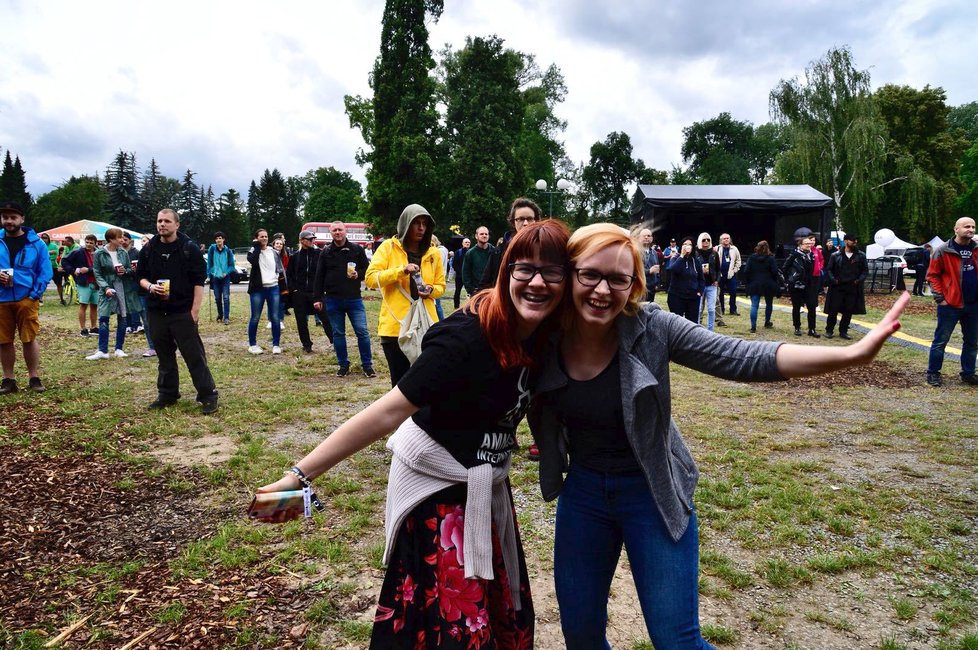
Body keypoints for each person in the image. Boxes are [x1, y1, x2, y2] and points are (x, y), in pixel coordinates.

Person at [528, 222, 911, 649]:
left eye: (618, 279)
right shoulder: (545, 332)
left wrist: (850, 355)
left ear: (635, 284)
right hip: (583, 493)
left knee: (677, 641)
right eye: (590, 274)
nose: (602, 290)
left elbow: (740, 355)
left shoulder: (652, 326)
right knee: (580, 635)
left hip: (652, 490)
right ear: (571, 271)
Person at [256, 220, 571, 648]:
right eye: (524, 269)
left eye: (552, 271)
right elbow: (386, 412)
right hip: (435, 488)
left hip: (484, 483)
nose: (537, 282)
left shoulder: (548, 336)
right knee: (452, 624)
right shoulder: (465, 339)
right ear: (506, 273)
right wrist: (298, 477)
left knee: (493, 614)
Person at [135, 209, 218, 414]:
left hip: (182, 311)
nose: (162, 224)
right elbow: (140, 277)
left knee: (194, 356)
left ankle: (208, 395)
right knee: (164, 356)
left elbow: (199, 282)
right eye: (159, 221)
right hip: (156, 311)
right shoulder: (149, 249)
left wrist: (194, 312)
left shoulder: (188, 248)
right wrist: (150, 287)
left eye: (167, 221)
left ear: (177, 225)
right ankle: (167, 394)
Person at [365, 204, 445, 387]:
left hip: (425, 325)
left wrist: (431, 290)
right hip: (396, 328)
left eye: (425, 223)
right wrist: (401, 270)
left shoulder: (433, 252)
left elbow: (440, 286)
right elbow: (370, 279)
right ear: (405, 224)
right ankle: (402, 417)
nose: (421, 228)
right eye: (416, 223)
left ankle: (422, 416)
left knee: (426, 382)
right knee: (400, 385)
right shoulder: (388, 247)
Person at [0, 200, 52, 394]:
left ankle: (34, 377)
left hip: (26, 299)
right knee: (3, 341)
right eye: (5, 217)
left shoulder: (36, 244)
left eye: (13, 217)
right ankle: (8, 379)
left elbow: (45, 271)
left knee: (28, 338)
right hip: (1, 299)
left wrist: (33, 295)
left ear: (22, 218)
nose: (9, 221)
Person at [314, 222, 375, 377]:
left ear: (345, 231)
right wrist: (317, 297)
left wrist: (358, 275)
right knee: (338, 334)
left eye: (340, 229)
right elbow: (319, 277)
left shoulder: (356, 249)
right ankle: (343, 365)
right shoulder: (326, 252)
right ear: (330, 233)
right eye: (334, 230)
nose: (338, 232)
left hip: (354, 299)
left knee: (362, 332)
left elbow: (367, 270)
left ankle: (367, 366)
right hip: (333, 299)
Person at [926, 216, 978, 387]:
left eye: (973, 226)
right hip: (950, 304)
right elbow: (933, 275)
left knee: (972, 342)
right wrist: (940, 298)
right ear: (956, 229)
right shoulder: (943, 250)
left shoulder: (976, 249)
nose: (970, 229)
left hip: (973, 304)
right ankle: (933, 373)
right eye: (966, 226)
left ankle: (968, 374)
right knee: (941, 340)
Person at [85, 228, 141, 360]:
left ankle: (119, 349)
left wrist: (125, 271)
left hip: (121, 287)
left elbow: (128, 269)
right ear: (111, 239)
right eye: (119, 237)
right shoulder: (99, 253)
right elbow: (97, 273)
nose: (122, 240)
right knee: (103, 317)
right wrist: (105, 288)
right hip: (106, 288)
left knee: (122, 317)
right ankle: (102, 350)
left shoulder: (123, 252)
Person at [480, 198, 542, 292]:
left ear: (536, 221)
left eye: (529, 219)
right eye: (520, 219)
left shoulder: (545, 248)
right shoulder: (499, 251)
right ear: (513, 222)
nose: (525, 223)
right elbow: (485, 285)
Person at [289, 230, 333, 354]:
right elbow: (290, 275)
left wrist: (323, 288)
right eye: (309, 239)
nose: (312, 241)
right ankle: (306, 344)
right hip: (300, 293)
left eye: (313, 239)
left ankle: (333, 341)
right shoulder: (295, 257)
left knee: (326, 318)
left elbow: (326, 271)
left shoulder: (320, 254)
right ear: (302, 240)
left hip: (316, 292)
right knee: (301, 321)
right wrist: (294, 289)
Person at [824, 233, 868, 340]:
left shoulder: (861, 255)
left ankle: (843, 331)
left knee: (848, 310)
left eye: (856, 240)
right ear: (846, 241)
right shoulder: (836, 255)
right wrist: (833, 280)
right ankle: (829, 330)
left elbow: (865, 270)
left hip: (852, 287)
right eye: (852, 240)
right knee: (833, 310)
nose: (855, 242)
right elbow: (829, 269)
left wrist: (859, 280)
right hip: (837, 287)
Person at [246, 228, 284, 355]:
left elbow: (279, 269)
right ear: (256, 238)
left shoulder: (273, 252)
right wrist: (256, 246)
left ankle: (276, 344)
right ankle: (252, 344)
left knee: (275, 317)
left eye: (266, 236)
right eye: (261, 236)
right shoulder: (253, 251)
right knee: (255, 317)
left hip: (273, 287)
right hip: (258, 289)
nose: (264, 238)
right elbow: (253, 260)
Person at [782, 235, 821, 337]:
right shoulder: (794, 255)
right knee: (797, 307)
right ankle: (797, 327)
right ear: (800, 245)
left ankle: (812, 329)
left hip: (809, 284)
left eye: (810, 243)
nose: (809, 245)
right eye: (807, 243)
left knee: (812, 306)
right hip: (796, 285)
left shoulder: (811, 255)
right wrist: (790, 279)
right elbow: (785, 268)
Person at [61, 234, 99, 336]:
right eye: (87, 242)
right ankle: (83, 328)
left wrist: (88, 269)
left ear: (95, 243)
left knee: (94, 305)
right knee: (83, 304)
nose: (89, 244)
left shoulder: (98, 253)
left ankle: (94, 327)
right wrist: (73, 271)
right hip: (84, 282)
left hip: (96, 283)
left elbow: (100, 267)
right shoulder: (78, 252)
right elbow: (64, 261)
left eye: (91, 243)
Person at [741, 240, 781, 332]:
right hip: (768, 283)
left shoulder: (751, 258)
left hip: (755, 283)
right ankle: (767, 321)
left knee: (754, 305)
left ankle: (753, 326)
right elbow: (775, 272)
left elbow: (746, 271)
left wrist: (749, 281)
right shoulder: (771, 258)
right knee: (769, 303)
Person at [666, 237, 704, 322]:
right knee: (676, 322)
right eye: (685, 244)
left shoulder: (696, 261)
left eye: (690, 244)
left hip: (693, 297)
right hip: (676, 295)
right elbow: (674, 270)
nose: (687, 246)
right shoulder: (675, 258)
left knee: (692, 323)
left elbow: (701, 278)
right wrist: (682, 256)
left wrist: (699, 292)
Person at [131, 234, 156, 357]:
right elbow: (139, 275)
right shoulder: (140, 254)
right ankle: (152, 347)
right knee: (146, 320)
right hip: (142, 292)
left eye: (145, 240)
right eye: (142, 240)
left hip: (157, 292)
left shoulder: (157, 255)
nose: (142, 243)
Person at [695, 233, 722, 329]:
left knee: (711, 309)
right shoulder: (695, 253)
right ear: (699, 241)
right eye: (703, 240)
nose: (706, 241)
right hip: (699, 284)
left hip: (711, 284)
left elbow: (719, 269)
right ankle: (696, 330)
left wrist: (717, 280)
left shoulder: (714, 253)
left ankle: (710, 331)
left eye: (708, 240)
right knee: (698, 309)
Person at [207, 231, 235, 324]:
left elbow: (232, 266)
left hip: (225, 277)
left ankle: (226, 317)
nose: (218, 240)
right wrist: (209, 274)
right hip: (215, 277)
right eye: (217, 238)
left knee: (226, 297)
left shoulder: (228, 251)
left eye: (220, 238)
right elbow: (209, 264)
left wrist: (226, 272)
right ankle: (220, 314)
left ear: (223, 239)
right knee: (217, 297)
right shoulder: (212, 249)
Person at [462, 226, 493, 298]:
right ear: (476, 236)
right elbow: (465, 273)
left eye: (486, 234)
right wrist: (471, 290)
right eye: (481, 234)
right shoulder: (470, 253)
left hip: (492, 291)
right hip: (476, 292)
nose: (484, 236)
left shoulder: (495, 252)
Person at [715, 233, 741, 316]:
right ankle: (721, 309)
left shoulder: (734, 249)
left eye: (727, 238)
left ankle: (733, 310)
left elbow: (738, 261)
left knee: (733, 292)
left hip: (731, 274)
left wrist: (735, 270)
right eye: (724, 238)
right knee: (720, 293)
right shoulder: (717, 248)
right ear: (721, 240)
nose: (726, 240)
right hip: (720, 275)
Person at [635, 227, 661, 302]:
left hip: (651, 289)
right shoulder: (635, 252)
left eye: (649, 236)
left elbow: (657, 269)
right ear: (639, 238)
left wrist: (657, 283)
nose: (646, 237)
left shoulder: (655, 253)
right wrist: (649, 271)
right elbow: (634, 270)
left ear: (652, 239)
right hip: (639, 288)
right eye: (644, 236)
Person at [40, 232, 62, 305]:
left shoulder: (54, 245)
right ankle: (40, 299)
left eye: (45, 238)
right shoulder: (40, 246)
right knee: (42, 283)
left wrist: (45, 255)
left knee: (58, 284)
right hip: (43, 267)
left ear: (48, 238)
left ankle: (61, 299)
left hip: (53, 267)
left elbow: (54, 256)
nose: (44, 239)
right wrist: (49, 253)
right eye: (42, 238)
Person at [432, 234, 450, 320]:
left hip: (437, 279)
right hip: (440, 277)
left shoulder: (439, 251)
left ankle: (441, 321)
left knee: (437, 304)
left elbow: (437, 265)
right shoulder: (443, 250)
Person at [453, 237, 470, 308]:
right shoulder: (458, 252)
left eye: (468, 242)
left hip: (468, 276)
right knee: (457, 291)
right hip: (459, 276)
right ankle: (456, 306)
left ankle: (470, 305)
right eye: (466, 242)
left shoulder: (471, 252)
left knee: (470, 291)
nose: (467, 244)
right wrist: (459, 272)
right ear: (462, 243)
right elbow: (454, 264)